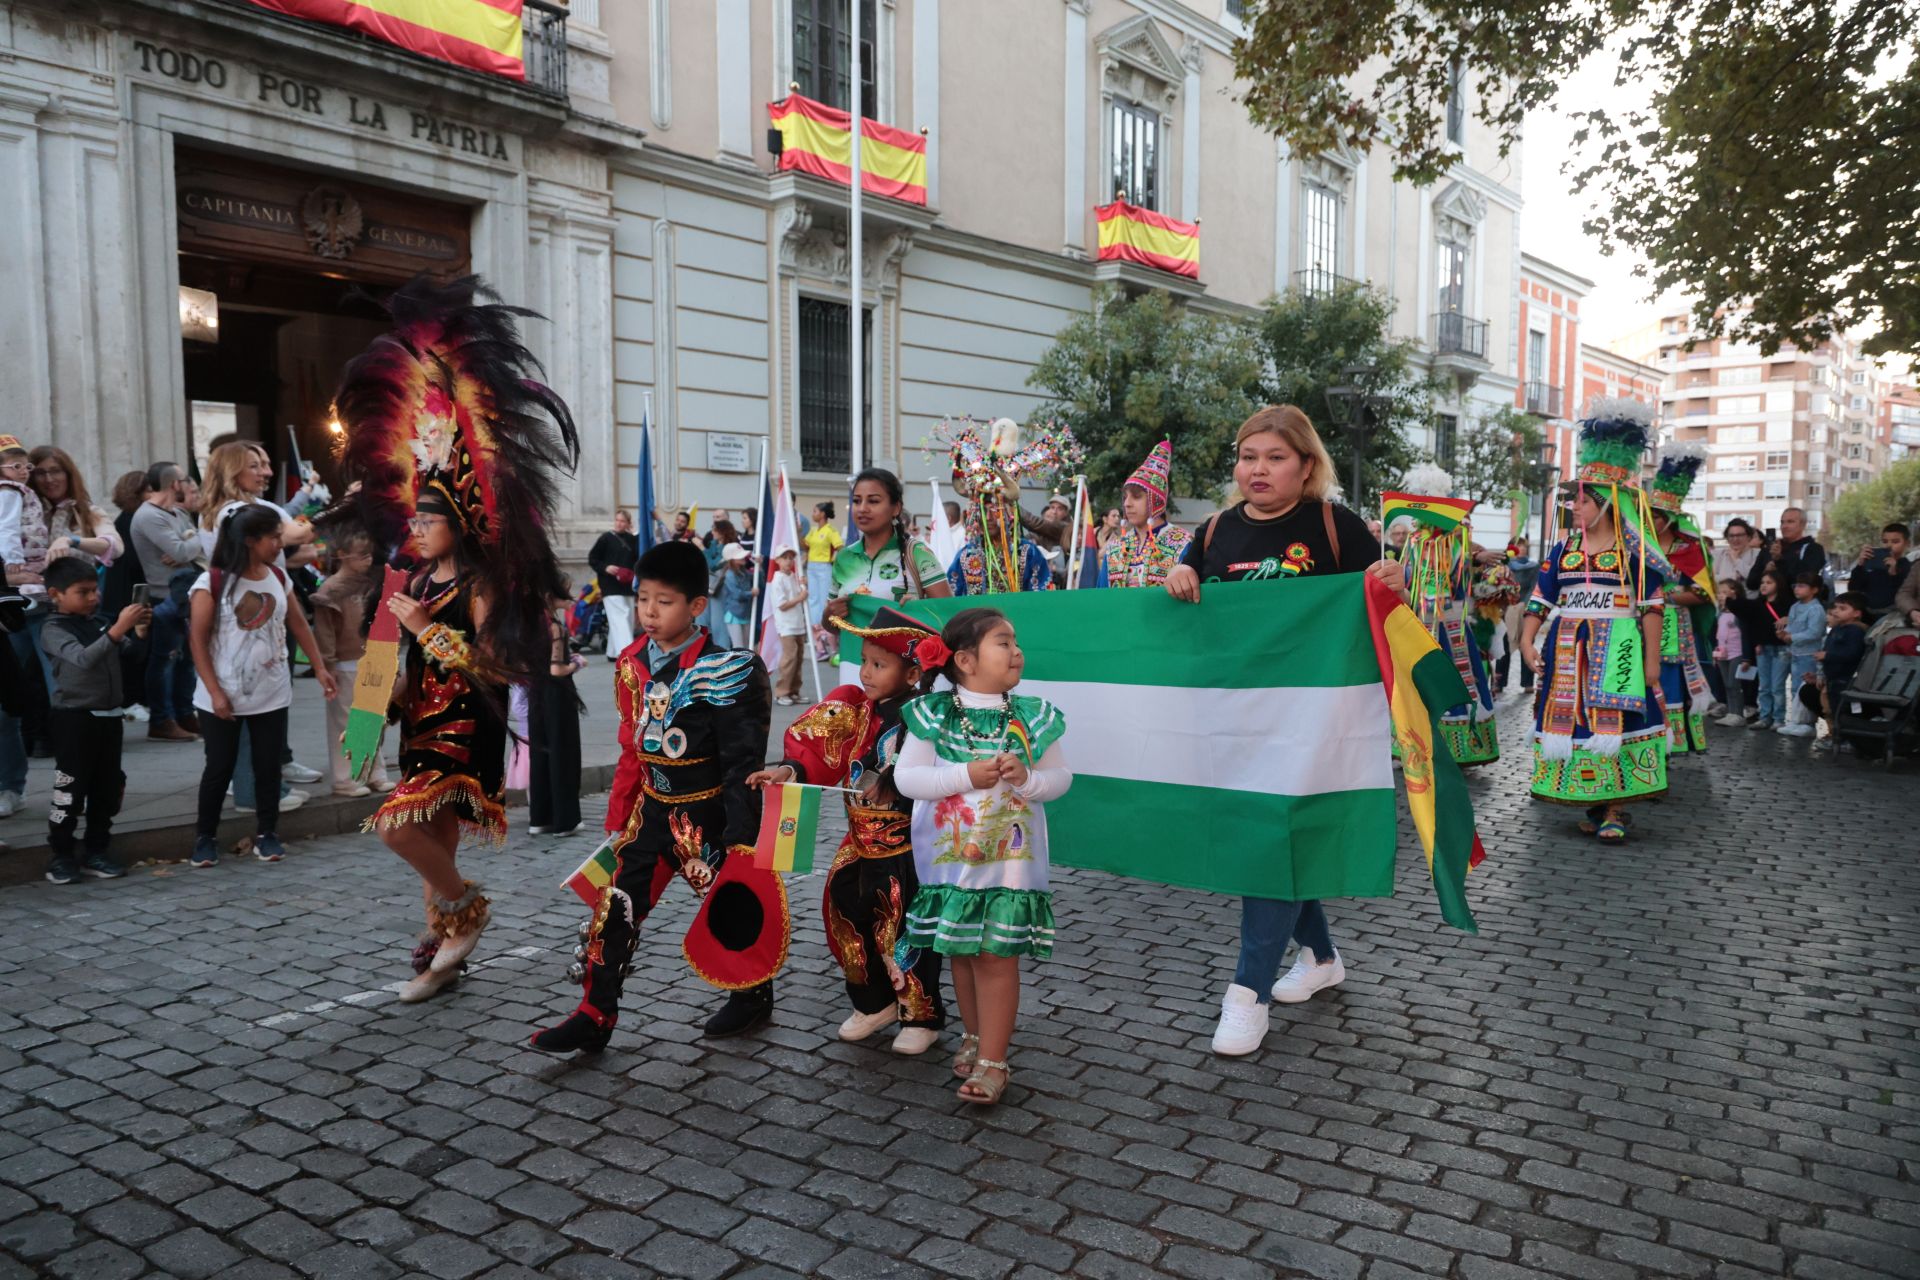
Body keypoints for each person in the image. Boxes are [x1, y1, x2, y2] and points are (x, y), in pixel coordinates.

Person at [1163, 405, 1402, 1057]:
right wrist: (1177, 576)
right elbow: (1184, 601)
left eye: (1275, 457)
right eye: (1247, 456)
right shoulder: (1212, 532)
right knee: (1274, 835)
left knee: (1269, 838)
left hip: (1314, 719)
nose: (1258, 469)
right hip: (1235, 717)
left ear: (1306, 465)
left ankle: (1248, 995)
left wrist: (1393, 582)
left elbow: (1387, 610)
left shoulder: (1337, 527)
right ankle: (1321, 957)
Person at [531, 540, 773, 1052]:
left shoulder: (731, 670)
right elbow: (629, 748)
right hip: (652, 813)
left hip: (707, 812)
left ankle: (752, 994)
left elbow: (741, 763)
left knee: (730, 907)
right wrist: (618, 819)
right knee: (613, 906)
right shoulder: (631, 661)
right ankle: (595, 1013)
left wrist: (740, 838)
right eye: (643, 599)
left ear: (696, 607)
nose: (649, 611)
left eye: (664, 601)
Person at [750, 606, 951, 1056]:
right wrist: (788, 768)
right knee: (845, 916)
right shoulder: (855, 709)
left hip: (906, 847)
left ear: (914, 672)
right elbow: (818, 748)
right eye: (863, 660)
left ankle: (920, 1014)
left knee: (903, 929)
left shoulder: (925, 721)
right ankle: (874, 1002)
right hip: (858, 843)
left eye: (879, 664)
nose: (865, 672)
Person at [895, 607, 1071, 1104]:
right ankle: (974, 1035)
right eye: (1003, 642)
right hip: (951, 862)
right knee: (963, 952)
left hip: (1010, 866)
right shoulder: (936, 712)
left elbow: (1061, 779)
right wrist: (964, 777)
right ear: (966, 660)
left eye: (1015, 642)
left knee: (995, 955)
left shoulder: (1031, 715)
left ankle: (994, 1059)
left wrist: (1029, 780)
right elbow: (908, 778)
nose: (1016, 651)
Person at [1519, 401, 1669, 843]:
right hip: (1567, 650)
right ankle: (1592, 796)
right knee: (1577, 719)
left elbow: (1653, 607)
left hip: (1617, 647)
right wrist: (1527, 642)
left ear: (1607, 503)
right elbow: (1541, 598)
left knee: (1614, 719)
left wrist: (1653, 662)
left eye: (1582, 499)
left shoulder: (1632, 555)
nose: (1575, 506)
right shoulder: (1563, 551)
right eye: (1573, 499)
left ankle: (1616, 808)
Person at [188, 505, 337, 869]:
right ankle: (204, 837)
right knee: (219, 767)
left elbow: (299, 624)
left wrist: (319, 667)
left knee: (268, 766)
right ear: (251, 541)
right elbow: (197, 640)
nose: (279, 543)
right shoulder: (212, 583)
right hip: (221, 695)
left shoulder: (277, 576)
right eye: (273, 537)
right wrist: (216, 692)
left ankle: (267, 832)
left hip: (270, 691)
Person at [197, 441, 323, 808]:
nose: (266, 472)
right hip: (253, 613)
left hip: (251, 611)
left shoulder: (215, 511)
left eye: (265, 464)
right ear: (232, 471)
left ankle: (263, 784)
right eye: (255, 466)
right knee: (254, 707)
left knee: (254, 705)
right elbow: (297, 536)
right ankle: (254, 791)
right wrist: (344, 508)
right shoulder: (242, 511)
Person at [40, 557, 148, 884]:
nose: (92, 598)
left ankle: (96, 850)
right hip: (74, 718)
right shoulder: (53, 629)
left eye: (94, 590)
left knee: (107, 787)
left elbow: (129, 652)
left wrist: (140, 631)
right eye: (82, 592)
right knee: (71, 788)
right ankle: (61, 854)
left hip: (110, 716)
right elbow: (83, 660)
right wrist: (118, 629)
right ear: (56, 594)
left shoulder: (98, 622)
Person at [1391, 465, 1498, 767]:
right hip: (1419, 622)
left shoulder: (1456, 540)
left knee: (1459, 677)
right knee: (1420, 679)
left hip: (1450, 625)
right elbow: (1408, 576)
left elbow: (1463, 568)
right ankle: (1414, 744)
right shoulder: (1413, 541)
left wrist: (1476, 556)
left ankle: (1462, 746)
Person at [822, 468, 952, 682]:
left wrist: (919, 612)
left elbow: (949, 617)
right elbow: (832, 626)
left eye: (873, 501)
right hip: (854, 673)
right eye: (856, 501)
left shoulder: (917, 554)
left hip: (907, 680)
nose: (862, 509)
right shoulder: (844, 558)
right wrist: (829, 614)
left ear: (896, 508)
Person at [942, 418, 1076, 596]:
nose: (988, 518)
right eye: (984, 510)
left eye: (995, 509)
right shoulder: (966, 556)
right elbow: (949, 601)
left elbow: (1043, 603)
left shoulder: (1028, 554)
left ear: (1008, 512)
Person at [310, 532, 392, 798]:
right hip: (344, 664)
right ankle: (345, 778)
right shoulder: (331, 589)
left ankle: (373, 772)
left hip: (370, 659)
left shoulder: (368, 583)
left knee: (372, 718)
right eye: (362, 555)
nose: (368, 560)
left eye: (370, 554)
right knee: (345, 722)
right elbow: (324, 632)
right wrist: (327, 664)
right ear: (343, 554)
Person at [131, 462, 206, 743]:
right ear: (175, 484)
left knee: (187, 660)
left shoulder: (176, 512)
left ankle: (185, 713)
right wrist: (191, 543)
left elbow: (190, 548)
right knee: (164, 660)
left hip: (186, 592)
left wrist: (189, 546)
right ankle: (161, 720)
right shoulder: (149, 516)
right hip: (164, 596)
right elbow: (181, 549)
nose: (188, 485)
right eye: (185, 480)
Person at [1646, 449, 1714, 756]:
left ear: (1669, 517)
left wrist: (1667, 597)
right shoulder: (1639, 545)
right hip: (1641, 621)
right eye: (1649, 514)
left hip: (1673, 625)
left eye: (1657, 515)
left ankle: (1674, 740)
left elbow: (1702, 593)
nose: (1651, 519)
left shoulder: (1688, 548)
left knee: (1672, 679)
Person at [1102, 440, 1193, 589]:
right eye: (1125, 497)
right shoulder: (1115, 547)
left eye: (1136, 497)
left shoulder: (1183, 543)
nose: (1127, 504)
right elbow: (1102, 598)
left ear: (1155, 500)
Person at [527, 602, 585, 836]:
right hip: (557, 694)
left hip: (536, 692)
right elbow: (557, 669)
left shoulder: (529, 625)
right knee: (563, 753)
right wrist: (577, 663)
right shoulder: (554, 627)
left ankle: (540, 819)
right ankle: (565, 820)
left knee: (540, 753)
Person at [1813, 591, 1869, 753]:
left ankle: (1849, 740)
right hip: (1833, 678)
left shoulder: (1854, 631)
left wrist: (1828, 656)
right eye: (1836, 607)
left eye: (1842, 608)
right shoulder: (1837, 629)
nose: (1836, 611)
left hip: (1846, 679)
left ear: (1857, 614)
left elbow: (1852, 654)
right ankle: (1838, 738)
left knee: (1845, 711)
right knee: (1834, 709)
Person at [1777, 571, 1826, 739]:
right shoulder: (1795, 606)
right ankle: (1796, 721)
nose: (1797, 589)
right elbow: (1792, 625)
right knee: (1794, 687)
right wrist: (1785, 634)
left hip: (1809, 654)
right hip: (1795, 652)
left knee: (1804, 687)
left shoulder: (1816, 609)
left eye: (1802, 586)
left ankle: (1808, 723)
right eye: (1795, 585)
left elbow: (1815, 632)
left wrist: (1793, 637)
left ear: (1814, 590)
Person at [589, 509, 640, 662]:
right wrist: (605, 568)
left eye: (622, 521)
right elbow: (593, 558)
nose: (619, 523)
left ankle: (612, 652)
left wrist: (635, 533)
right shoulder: (605, 538)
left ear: (628, 523)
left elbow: (639, 555)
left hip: (627, 586)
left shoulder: (632, 540)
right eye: (617, 520)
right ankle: (628, 653)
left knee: (625, 619)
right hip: (610, 585)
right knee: (621, 616)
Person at [1748, 506, 1825, 600]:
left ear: (1803, 525)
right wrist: (1765, 572)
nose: (1784, 526)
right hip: (1767, 606)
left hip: (1795, 606)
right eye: (1782, 522)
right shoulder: (1770, 549)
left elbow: (1806, 580)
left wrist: (1780, 561)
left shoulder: (1813, 549)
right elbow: (1751, 584)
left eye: (1790, 522)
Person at [768, 543, 808, 704]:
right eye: (784, 557)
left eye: (791, 557)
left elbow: (801, 593)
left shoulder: (793, 576)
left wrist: (804, 583)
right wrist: (801, 597)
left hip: (798, 622)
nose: (788, 561)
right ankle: (781, 692)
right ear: (777, 560)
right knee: (789, 657)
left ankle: (793, 691)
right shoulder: (777, 580)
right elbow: (782, 605)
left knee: (798, 658)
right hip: (786, 625)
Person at [1500, 538, 1542, 692]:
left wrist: (1525, 605)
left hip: (1525, 609)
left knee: (1526, 643)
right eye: (1518, 545)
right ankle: (1499, 681)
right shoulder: (1504, 566)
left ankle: (1527, 683)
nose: (1521, 548)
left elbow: (1534, 587)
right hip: (1506, 610)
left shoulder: (1533, 566)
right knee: (1504, 647)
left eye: (1524, 545)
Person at [1850, 523, 1912, 620]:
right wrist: (1860, 565)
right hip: (1867, 614)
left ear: (1906, 543)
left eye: (1895, 542)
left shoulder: (1907, 566)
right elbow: (1854, 588)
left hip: (1893, 616)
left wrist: (1894, 573)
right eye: (1885, 541)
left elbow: (1905, 593)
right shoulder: (1872, 563)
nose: (1889, 545)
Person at [803, 503, 842, 656]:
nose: (813, 514)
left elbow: (839, 547)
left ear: (823, 514)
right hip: (811, 566)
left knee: (824, 598)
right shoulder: (812, 531)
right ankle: (817, 634)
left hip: (825, 567)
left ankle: (825, 632)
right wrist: (798, 532)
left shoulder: (831, 530)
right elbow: (805, 545)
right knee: (812, 599)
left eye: (815, 511)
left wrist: (834, 561)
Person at [1711, 580, 1751, 727]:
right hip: (1722, 654)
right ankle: (1730, 711)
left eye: (1724, 592)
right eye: (1719, 593)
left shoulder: (1739, 613)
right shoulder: (1721, 613)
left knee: (1734, 684)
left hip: (1736, 653)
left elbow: (1745, 635)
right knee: (1727, 684)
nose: (1720, 596)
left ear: (1734, 592)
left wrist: (1746, 657)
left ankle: (1738, 713)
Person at [713, 541, 756, 648]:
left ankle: (748, 664)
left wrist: (758, 567)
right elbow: (737, 594)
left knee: (747, 646)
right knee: (739, 647)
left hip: (745, 613)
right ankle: (739, 665)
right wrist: (751, 593)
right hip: (734, 615)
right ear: (731, 560)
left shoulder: (744, 572)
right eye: (739, 556)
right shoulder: (730, 574)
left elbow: (758, 580)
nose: (744, 557)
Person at [1712, 517, 1761, 587]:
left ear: (1749, 537)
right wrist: (1734, 576)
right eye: (1731, 536)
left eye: (1739, 535)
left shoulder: (1758, 554)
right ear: (1727, 538)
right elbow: (1711, 578)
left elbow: (1753, 577)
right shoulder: (1718, 554)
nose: (1735, 539)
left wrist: (1736, 560)